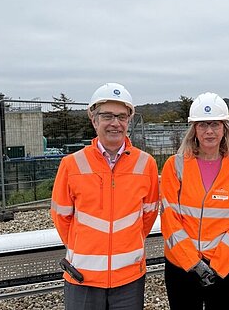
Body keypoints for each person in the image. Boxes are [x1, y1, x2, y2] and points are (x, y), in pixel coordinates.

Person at [51, 83, 160, 310]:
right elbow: (62, 217)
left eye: (122, 116)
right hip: (82, 276)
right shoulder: (71, 164)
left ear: (129, 121)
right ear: (94, 120)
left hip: (129, 278)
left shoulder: (145, 163)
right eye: (107, 115)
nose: (115, 123)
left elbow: (148, 215)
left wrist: (126, 244)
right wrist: (86, 247)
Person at [160, 92, 229, 310]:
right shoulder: (175, 166)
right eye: (202, 125)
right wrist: (193, 263)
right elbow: (169, 217)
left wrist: (218, 265)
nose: (209, 131)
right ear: (194, 130)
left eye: (215, 124)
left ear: (224, 129)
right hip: (181, 267)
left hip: (226, 268)